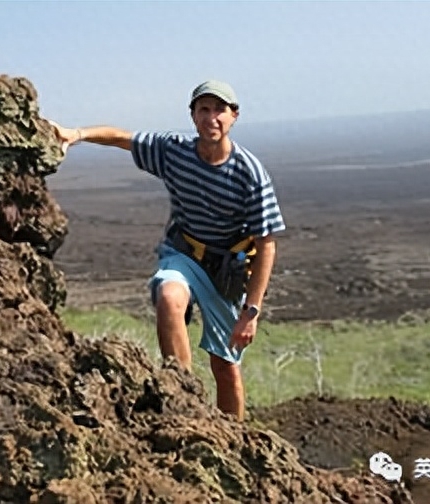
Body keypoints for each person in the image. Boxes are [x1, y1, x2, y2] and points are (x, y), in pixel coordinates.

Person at [49, 80, 286, 421]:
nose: (211, 118)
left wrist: (251, 312)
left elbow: (267, 244)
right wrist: (77, 134)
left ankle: (234, 437)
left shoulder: (250, 174)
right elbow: (122, 139)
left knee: (226, 368)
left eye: (219, 110)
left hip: (226, 271)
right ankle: (182, 396)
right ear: (192, 116)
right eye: (203, 109)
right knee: (169, 297)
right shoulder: (174, 150)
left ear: (234, 116)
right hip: (184, 253)